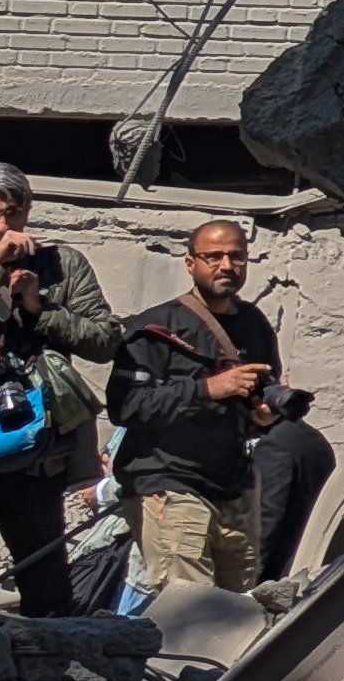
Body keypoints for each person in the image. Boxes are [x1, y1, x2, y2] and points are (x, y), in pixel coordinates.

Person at [0, 162, 122, 626]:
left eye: (13, 214)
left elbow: (105, 340)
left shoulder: (62, 265)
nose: (3, 227)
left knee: (45, 577)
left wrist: (39, 309)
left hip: (38, 451)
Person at [108, 222, 293, 600]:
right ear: (190, 263)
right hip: (168, 481)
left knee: (238, 608)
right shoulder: (157, 327)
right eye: (214, 256)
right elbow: (126, 404)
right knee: (187, 604)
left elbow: (259, 389)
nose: (227, 265)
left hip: (232, 484)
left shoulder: (254, 325)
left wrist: (261, 416)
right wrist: (208, 389)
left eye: (237, 256)